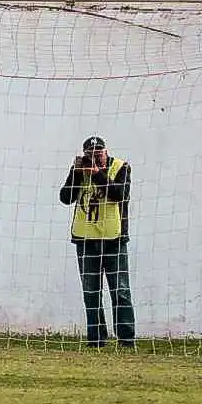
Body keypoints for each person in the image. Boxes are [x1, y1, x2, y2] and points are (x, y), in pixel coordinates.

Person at [59, 135, 136, 348]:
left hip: (114, 238)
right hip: (85, 238)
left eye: (98, 153)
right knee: (91, 292)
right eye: (90, 155)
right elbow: (66, 198)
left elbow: (120, 194)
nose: (95, 158)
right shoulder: (80, 169)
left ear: (106, 151)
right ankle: (96, 338)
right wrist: (76, 174)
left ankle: (127, 339)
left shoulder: (121, 167)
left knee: (120, 290)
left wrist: (98, 175)